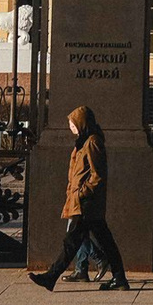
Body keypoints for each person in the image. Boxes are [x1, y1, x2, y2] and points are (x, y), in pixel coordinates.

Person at [31, 106, 129, 292]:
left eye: (73, 122)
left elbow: (97, 175)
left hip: (87, 203)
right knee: (105, 242)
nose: (71, 126)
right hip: (83, 202)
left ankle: (51, 276)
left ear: (82, 123)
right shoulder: (83, 142)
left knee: (72, 242)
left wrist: (81, 193)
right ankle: (119, 278)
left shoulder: (92, 142)